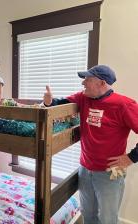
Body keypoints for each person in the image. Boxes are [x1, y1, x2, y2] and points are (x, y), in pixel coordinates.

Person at [43, 65, 138, 224]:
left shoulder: (124, 104)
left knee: (107, 219)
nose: (83, 83)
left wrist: (131, 158)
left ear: (102, 83)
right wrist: (49, 102)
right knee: (88, 215)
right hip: (85, 171)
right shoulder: (83, 97)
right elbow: (61, 103)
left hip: (109, 174)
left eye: (88, 79)